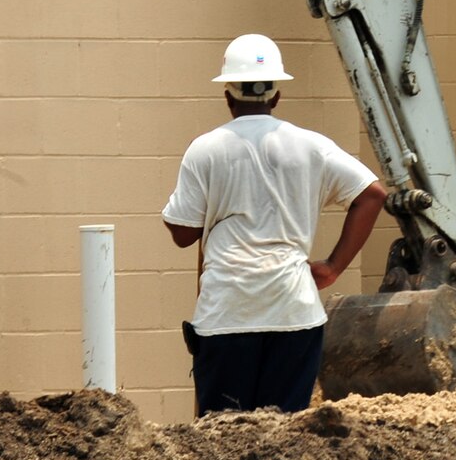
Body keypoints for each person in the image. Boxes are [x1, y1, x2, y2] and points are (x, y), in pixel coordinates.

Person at [162, 33, 388, 416]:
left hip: (226, 317)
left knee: (222, 440)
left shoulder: (206, 149)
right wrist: (333, 268)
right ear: (277, 96)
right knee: (285, 442)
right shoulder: (311, 146)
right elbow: (373, 194)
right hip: (294, 315)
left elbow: (183, 234)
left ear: (228, 95)